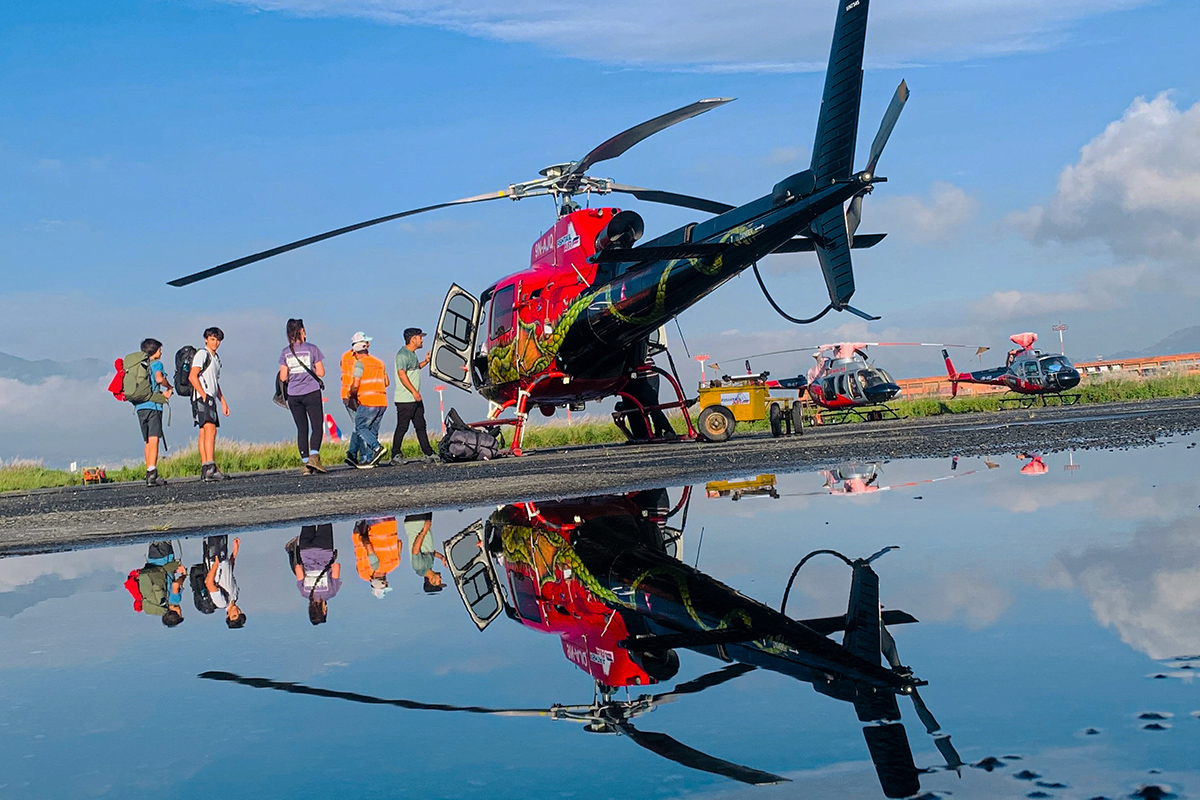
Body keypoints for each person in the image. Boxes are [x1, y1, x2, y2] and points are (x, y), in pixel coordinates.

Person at [279, 318, 327, 475]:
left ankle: (306, 463)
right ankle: (314, 457)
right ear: (301, 330)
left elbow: (283, 377)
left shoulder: (285, 352)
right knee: (317, 425)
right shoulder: (312, 349)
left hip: (293, 395)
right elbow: (321, 372)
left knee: (302, 428)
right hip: (311, 392)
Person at [341, 332, 389, 469]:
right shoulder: (379, 362)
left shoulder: (358, 363)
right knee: (373, 431)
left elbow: (355, 384)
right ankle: (369, 460)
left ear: (356, 351)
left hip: (367, 401)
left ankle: (376, 448)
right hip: (382, 401)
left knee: (360, 427)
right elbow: (387, 382)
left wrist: (352, 392)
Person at [189, 326, 230, 481]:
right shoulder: (202, 354)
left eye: (218, 340)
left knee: (204, 432)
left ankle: (206, 467)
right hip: (202, 396)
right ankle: (210, 466)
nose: (216, 342)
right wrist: (203, 394)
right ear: (206, 339)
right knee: (210, 430)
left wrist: (223, 400)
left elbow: (215, 382)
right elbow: (193, 376)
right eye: (212, 339)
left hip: (209, 396)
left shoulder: (215, 358)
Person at [391, 328, 436, 464]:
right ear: (413, 339)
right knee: (402, 427)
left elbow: (415, 368)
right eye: (420, 337)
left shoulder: (412, 354)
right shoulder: (402, 354)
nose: (422, 340)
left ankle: (428, 453)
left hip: (414, 398)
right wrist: (414, 391)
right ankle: (395, 455)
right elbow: (402, 374)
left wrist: (426, 361)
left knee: (421, 425)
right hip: (405, 399)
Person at [133, 338, 173, 486]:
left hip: (139, 406)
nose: (161, 352)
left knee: (147, 441)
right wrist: (169, 387)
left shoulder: (140, 365)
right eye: (159, 349)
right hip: (153, 406)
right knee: (154, 437)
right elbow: (158, 379)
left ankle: (148, 470)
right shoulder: (157, 364)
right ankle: (152, 472)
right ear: (154, 351)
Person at [290, 523, 341, 625]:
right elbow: (298, 568)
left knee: (325, 519)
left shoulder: (331, 592)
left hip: (324, 549)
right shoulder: (304, 593)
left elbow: (336, 567)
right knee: (308, 520)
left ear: (324, 611)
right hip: (305, 550)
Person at [136, 540, 187, 627]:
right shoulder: (161, 603)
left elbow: (175, 585)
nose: (181, 611)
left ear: (175, 614)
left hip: (165, 559)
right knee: (154, 537)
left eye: (180, 613)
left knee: (164, 536)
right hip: (152, 563)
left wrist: (184, 575)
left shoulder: (175, 601)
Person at [204, 535, 247, 628]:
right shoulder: (235, 596)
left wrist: (215, 563)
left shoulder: (222, 603)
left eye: (234, 615)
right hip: (224, 559)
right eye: (239, 613)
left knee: (214, 532)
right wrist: (235, 552)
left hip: (214, 560)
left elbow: (209, 583)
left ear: (228, 615)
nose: (237, 611)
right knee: (221, 531)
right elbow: (229, 574)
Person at [352, 517, 401, 598]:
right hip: (370, 529)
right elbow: (367, 545)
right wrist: (362, 537)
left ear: (384, 582)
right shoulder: (371, 568)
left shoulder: (395, 564)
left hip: (390, 524)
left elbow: (399, 543)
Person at [405, 513, 445, 593]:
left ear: (432, 581)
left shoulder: (419, 568)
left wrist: (424, 530)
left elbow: (415, 550)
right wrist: (441, 557)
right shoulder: (429, 566)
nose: (441, 578)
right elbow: (431, 553)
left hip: (415, 524)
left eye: (439, 581)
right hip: (423, 524)